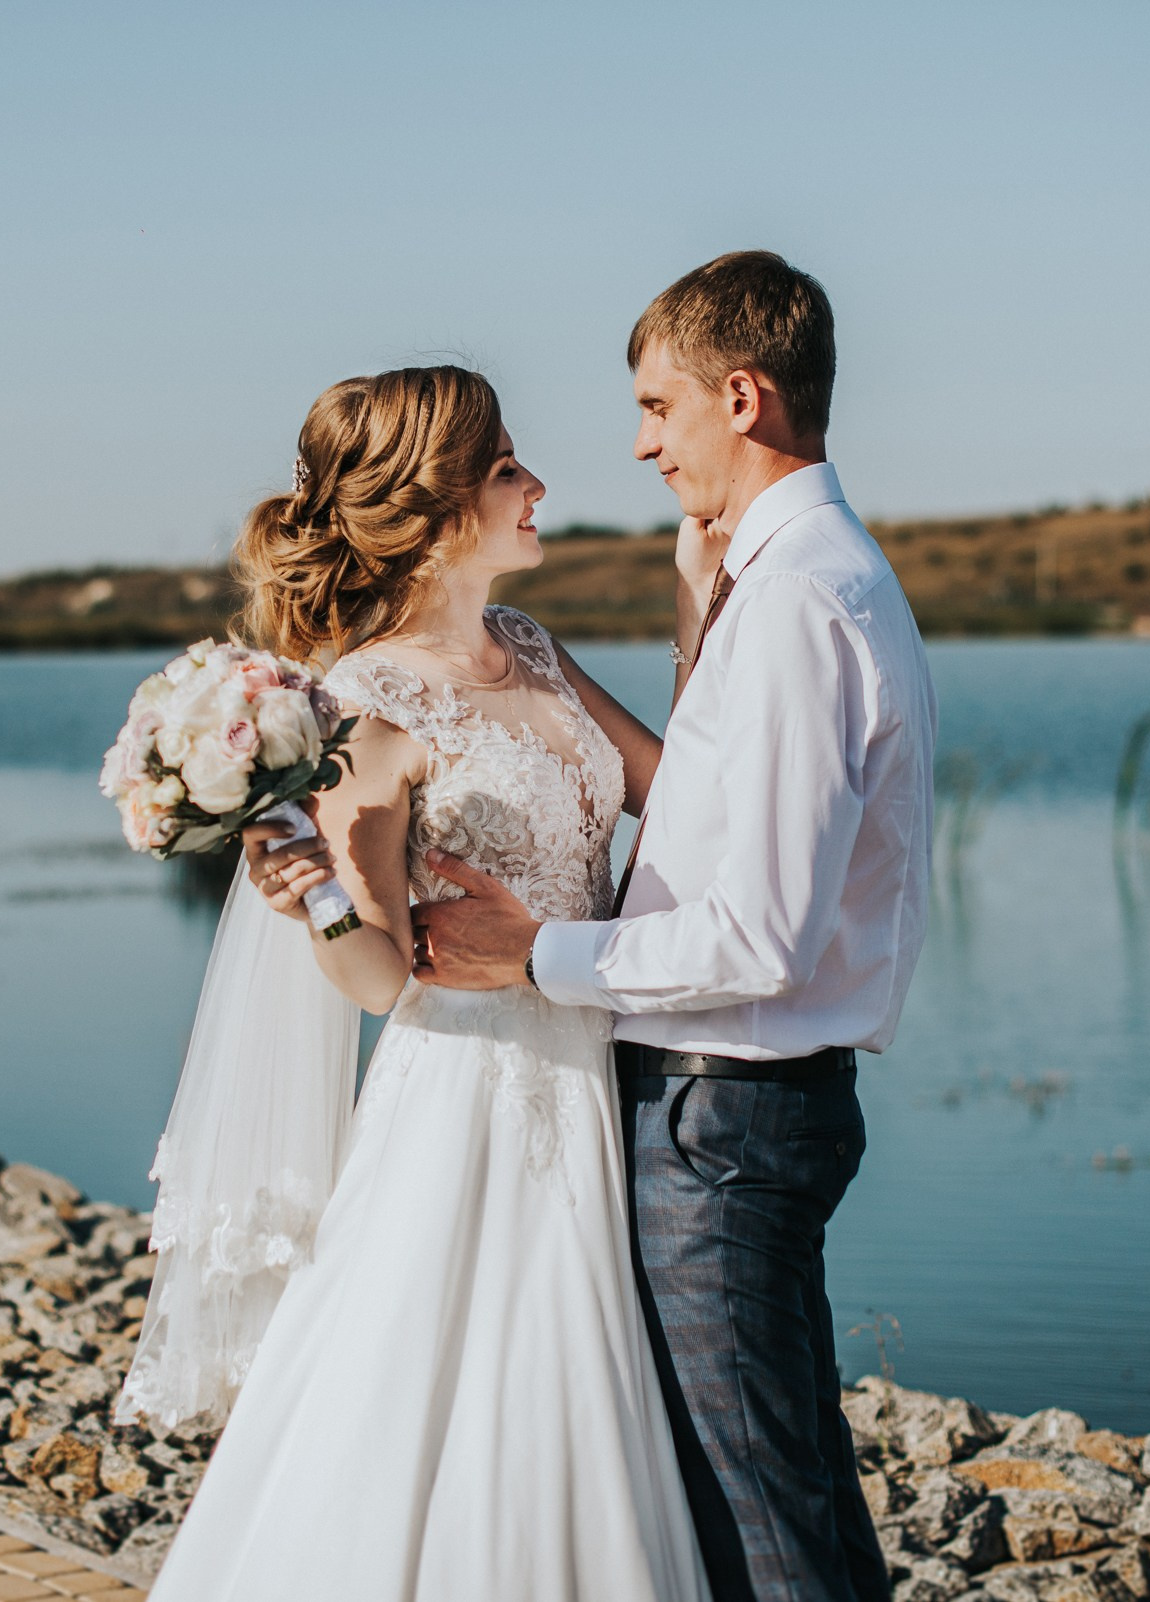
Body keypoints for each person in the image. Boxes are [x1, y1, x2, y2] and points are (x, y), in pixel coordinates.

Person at [394, 252, 936, 1602]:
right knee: (787, 1490)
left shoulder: (802, 602)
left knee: (759, 1518)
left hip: (726, 1119)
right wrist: (694, 625)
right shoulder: (789, 582)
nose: (639, 444)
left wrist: (531, 955)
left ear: (741, 397)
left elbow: (754, 938)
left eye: (657, 407)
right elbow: (702, 806)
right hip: (740, 1106)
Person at [126, 365, 711, 1601]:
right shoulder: (360, 706)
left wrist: (702, 617)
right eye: (508, 469)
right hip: (471, 1105)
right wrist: (318, 897)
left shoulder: (534, 651)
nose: (540, 484)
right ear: (439, 508)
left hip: (596, 1072)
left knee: (582, 1407)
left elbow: (676, 791)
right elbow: (382, 980)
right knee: (435, 1408)